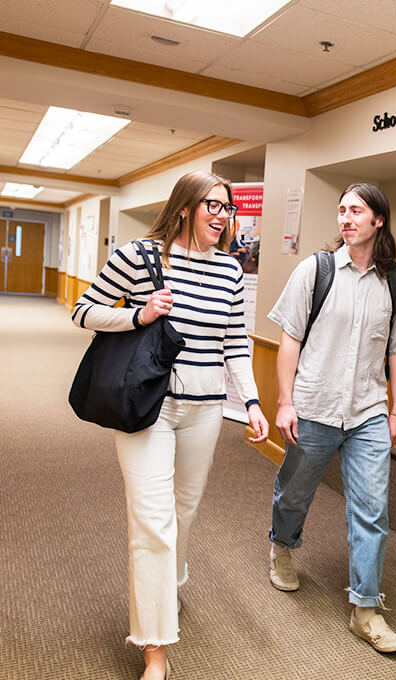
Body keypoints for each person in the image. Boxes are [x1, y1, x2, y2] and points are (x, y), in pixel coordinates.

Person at [72, 171, 269, 680]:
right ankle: (154, 648)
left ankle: (168, 585)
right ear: (185, 208)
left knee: (184, 511)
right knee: (152, 522)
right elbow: (83, 311)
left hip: (204, 411)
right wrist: (137, 315)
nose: (223, 216)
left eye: (228, 208)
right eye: (214, 206)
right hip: (148, 407)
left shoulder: (230, 271)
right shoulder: (139, 257)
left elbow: (235, 343)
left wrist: (250, 402)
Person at [266, 183, 396, 653]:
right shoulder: (315, 270)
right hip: (314, 405)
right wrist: (285, 401)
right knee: (296, 491)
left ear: (378, 221)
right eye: (342, 210)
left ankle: (366, 610)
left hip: (368, 413)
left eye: (357, 211)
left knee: (372, 510)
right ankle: (282, 548)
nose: (346, 218)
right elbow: (290, 338)